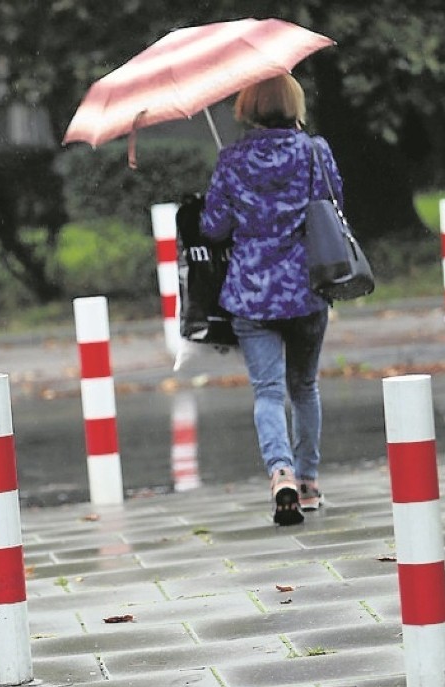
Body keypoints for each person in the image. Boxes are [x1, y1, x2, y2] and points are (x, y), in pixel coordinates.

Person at [199, 73, 344, 526]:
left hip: (251, 293)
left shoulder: (232, 158)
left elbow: (213, 228)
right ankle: (308, 482)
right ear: (293, 103)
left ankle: (279, 472)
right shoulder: (314, 152)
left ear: (248, 107)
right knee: (304, 387)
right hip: (306, 288)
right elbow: (334, 201)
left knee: (267, 392)